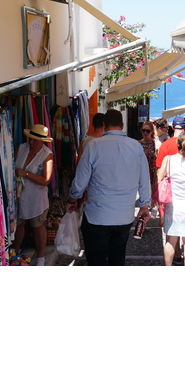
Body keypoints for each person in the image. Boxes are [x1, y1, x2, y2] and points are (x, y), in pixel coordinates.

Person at [65, 109, 151, 266]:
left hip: (98, 215)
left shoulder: (93, 146)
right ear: (122, 125)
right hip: (124, 215)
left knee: (96, 259)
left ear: (104, 125)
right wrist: (144, 205)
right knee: (117, 257)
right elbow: (144, 179)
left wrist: (72, 200)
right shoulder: (136, 147)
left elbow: (80, 180)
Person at [155, 115, 185, 262]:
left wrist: (155, 196)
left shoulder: (166, 148)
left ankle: (174, 259)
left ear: (172, 128)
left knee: (171, 239)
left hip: (172, 202)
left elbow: (158, 175)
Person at [12, 124, 54, 266]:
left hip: (36, 198)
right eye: (31, 138)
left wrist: (26, 174)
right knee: (19, 225)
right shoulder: (21, 148)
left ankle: (41, 257)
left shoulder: (46, 154)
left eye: (35, 140)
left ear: (43, 141)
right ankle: (15, 252)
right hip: (18, 195)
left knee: (37, 226)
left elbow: (46, 180)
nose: (31, 142)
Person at [139, 121, 158, 204]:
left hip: (153, 171)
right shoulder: (138, 144)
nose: (145, 133)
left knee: (153, 191)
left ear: (152, 132)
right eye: (144, 130)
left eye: (148, 131)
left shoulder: (156, 143)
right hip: (142, 170)